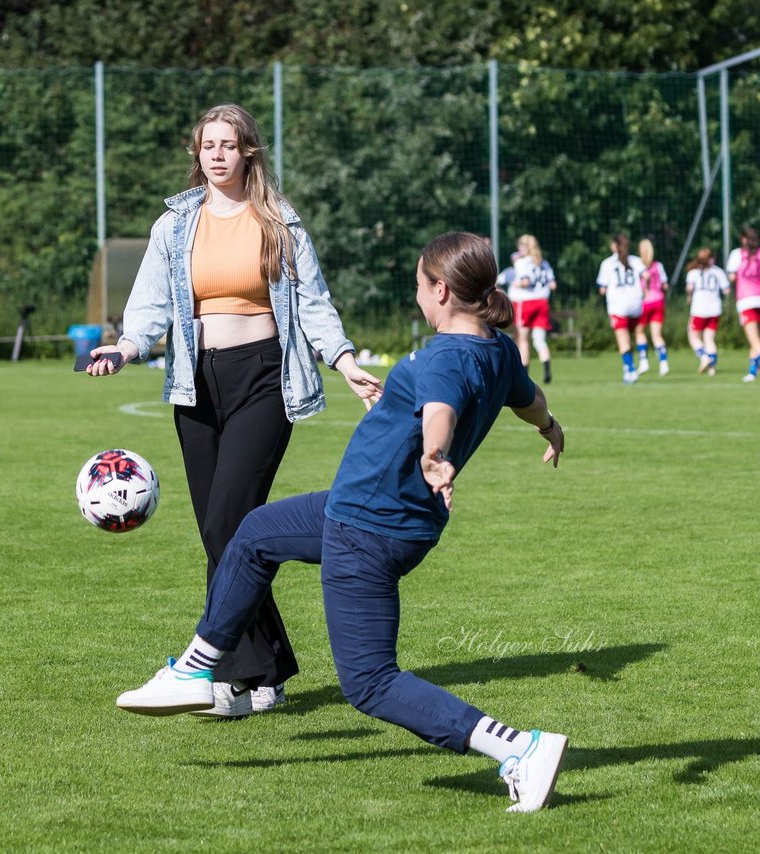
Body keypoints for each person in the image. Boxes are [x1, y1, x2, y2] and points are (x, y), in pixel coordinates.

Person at [115, 232, 569, 813]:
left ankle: (518, 748)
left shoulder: (446, 357)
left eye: (419, 287)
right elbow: (525, 397)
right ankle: (195, 668)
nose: (418, 298)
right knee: (255, 535)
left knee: (371, 682)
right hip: (365, 512)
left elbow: (441, 409)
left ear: (444, 290)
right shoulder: (498, 349)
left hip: (368, 527)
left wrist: (436, 455)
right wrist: (549, 426)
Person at [85, 104, 382, 717]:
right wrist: (127, 346)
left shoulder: (279, 223)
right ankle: (264, 670)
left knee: (230, 523)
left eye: (228, 145)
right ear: (196, 154)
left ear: (249, 152)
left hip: (265, 379)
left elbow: (314, 303)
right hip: (196, 384)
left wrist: (345, 361)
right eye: (206, 145)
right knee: (221, 532)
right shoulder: (175, 224)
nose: (216, 154)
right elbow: (149, 304)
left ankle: (230, 676)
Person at [725, 227, 760, 383]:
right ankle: (752, 372)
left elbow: (732, 276)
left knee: (753, 337)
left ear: (743, 239)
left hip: (746, 299)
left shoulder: (737, 254)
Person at [596, 232, 647, 383]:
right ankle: (643, 360)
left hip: (619, 306)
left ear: (614, 246)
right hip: (636, 304)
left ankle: (630, 369)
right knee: (637, 335)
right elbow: (646, 277)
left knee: (623, 339)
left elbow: (602, 289)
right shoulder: (636, 261)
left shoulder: (608, 263)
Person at [508, 235, 557, 384]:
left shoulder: (522, 263)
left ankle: (524, 374)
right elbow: (553, 285)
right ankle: (547, 369)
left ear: (526, 246)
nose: (518, 248)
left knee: (523, 339)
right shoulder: (543, 262)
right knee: (540, 340)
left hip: (527, 302)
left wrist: (516, 284)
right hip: (542, 302)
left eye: (521, 245)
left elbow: (525, 281)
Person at [684, 248, 729, 376]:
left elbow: (689, 289)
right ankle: (712, 368)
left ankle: (704, 357)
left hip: (699, 308)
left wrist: (689, 298)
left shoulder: (693, 272)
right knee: (709, 339)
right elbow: (726, 290)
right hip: (715, 308)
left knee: (693, 336)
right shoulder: (718, 271)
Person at [635, 239, 670, 376]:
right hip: (659, 301)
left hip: (644, 302)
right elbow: (665, 285)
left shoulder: (637, 265)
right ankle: (663, 364)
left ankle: (644, 362)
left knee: (639, 332)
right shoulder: (658, 266)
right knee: (657, 335)